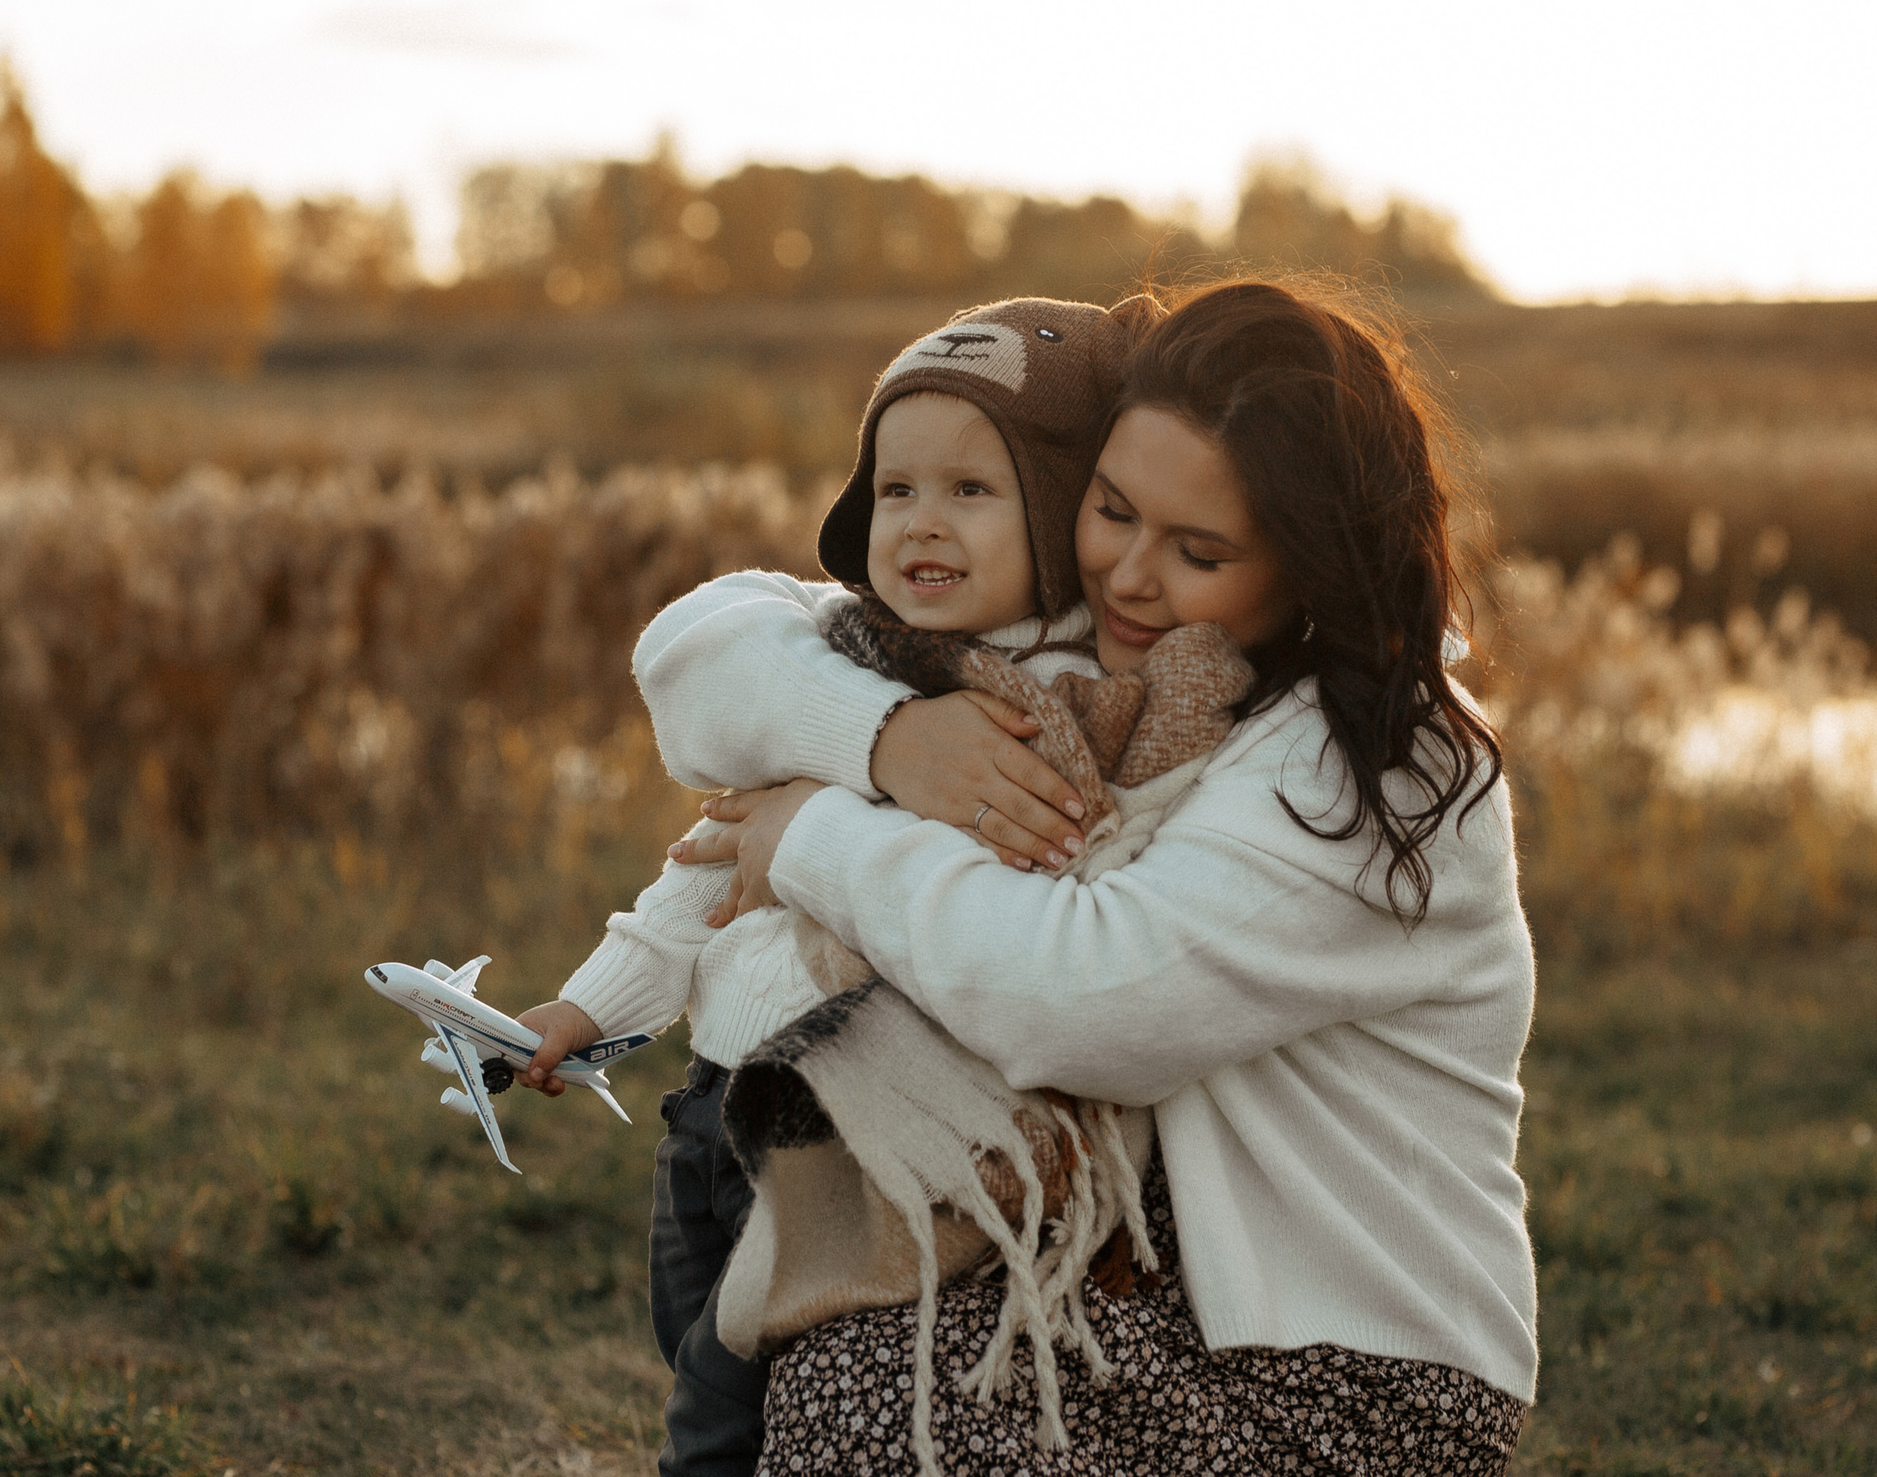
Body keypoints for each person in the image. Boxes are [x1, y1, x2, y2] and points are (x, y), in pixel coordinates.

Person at [647, 279, 1537, 1474]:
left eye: (1200, 550)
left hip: (1345, 1367)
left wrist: (812, 832)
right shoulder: (1115, 666)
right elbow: (714, 652)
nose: (1128, 575)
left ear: (1312, 563)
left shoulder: (1374, 764)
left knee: (879, 1394)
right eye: (1111, 511)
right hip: (1141, 1286)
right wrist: (880, 741)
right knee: (854, 1345)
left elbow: (1081, 1000)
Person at [513, 296, 1147, 1477]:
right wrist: (590, 1012)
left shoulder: (1062, 708)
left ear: (1061, 518)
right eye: (895, 490)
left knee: (724, 1408)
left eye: (971, 490)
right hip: (708, 1111)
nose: (922, 523)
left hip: (840, 1138)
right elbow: (701, 876)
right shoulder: (840, 647)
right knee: (692, 1347)